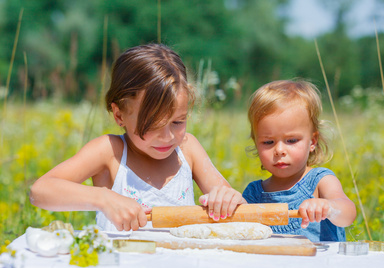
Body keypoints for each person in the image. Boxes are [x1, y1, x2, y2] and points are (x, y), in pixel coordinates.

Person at [30, 44, 246, 232]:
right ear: (119, 115)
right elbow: (40, 191)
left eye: (178, 122)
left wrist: (227, 200)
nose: (167, 137)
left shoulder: (188, 149)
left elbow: (241, 212)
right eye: (152, 125)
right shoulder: (110, 151)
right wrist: (103, 198)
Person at [242, 79, 356, 241]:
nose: (279, 150)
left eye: (291, 141)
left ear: (312, 141)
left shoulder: (319, 181)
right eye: (268, 142)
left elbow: (348, 213)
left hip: (322, 264)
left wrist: (329, 207)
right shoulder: (254, 193)